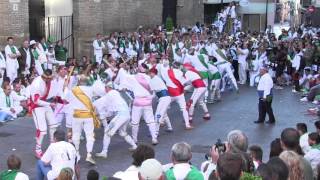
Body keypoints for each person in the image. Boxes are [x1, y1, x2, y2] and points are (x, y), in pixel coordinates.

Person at [94, 81, 137, 158]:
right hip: (126, 114)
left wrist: (97, 112)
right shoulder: (115, 93)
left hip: (120, 115)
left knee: (107, 132)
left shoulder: (110, 94)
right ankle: (134, 146)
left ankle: (104, 152)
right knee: (122, 133)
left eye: (105, 87)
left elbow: (103, 105)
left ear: (108, 88)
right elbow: (110, 110)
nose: (105, 89)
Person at [67, 74, 101, 165]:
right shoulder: (91, 89)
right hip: (88, 115)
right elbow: (98, 93)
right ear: (86, 82)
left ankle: (77, 154)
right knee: (90, 135)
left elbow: (66, 99)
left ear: (78, 81)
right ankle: (89, 155)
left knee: (76, 134)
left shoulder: (73, 90)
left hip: (77, 115)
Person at [29, 69, 58, 158]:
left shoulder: (49, 81)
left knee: (53, 125)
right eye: (51, 78)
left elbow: (54, 91)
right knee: (42, 130)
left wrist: (57, 98)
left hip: (46, 103)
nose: (52, 80)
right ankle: (38, 150)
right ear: (46, 78)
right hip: (36, 106)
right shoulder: (36, 83)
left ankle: (52, 147)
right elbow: (36, 101)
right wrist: (50, 104)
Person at [148, 66, 173, 132]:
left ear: (154, 73)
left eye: (150, 73)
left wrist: (147, 98)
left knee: (158, 114)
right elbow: (154, 94)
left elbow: (153, 92)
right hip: (164, 98)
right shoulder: (156, 79)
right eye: (149, 73)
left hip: (164, 98)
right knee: (164, 114)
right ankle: (170, 128)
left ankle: (155, 132)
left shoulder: (154, 80)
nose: (149, 74)